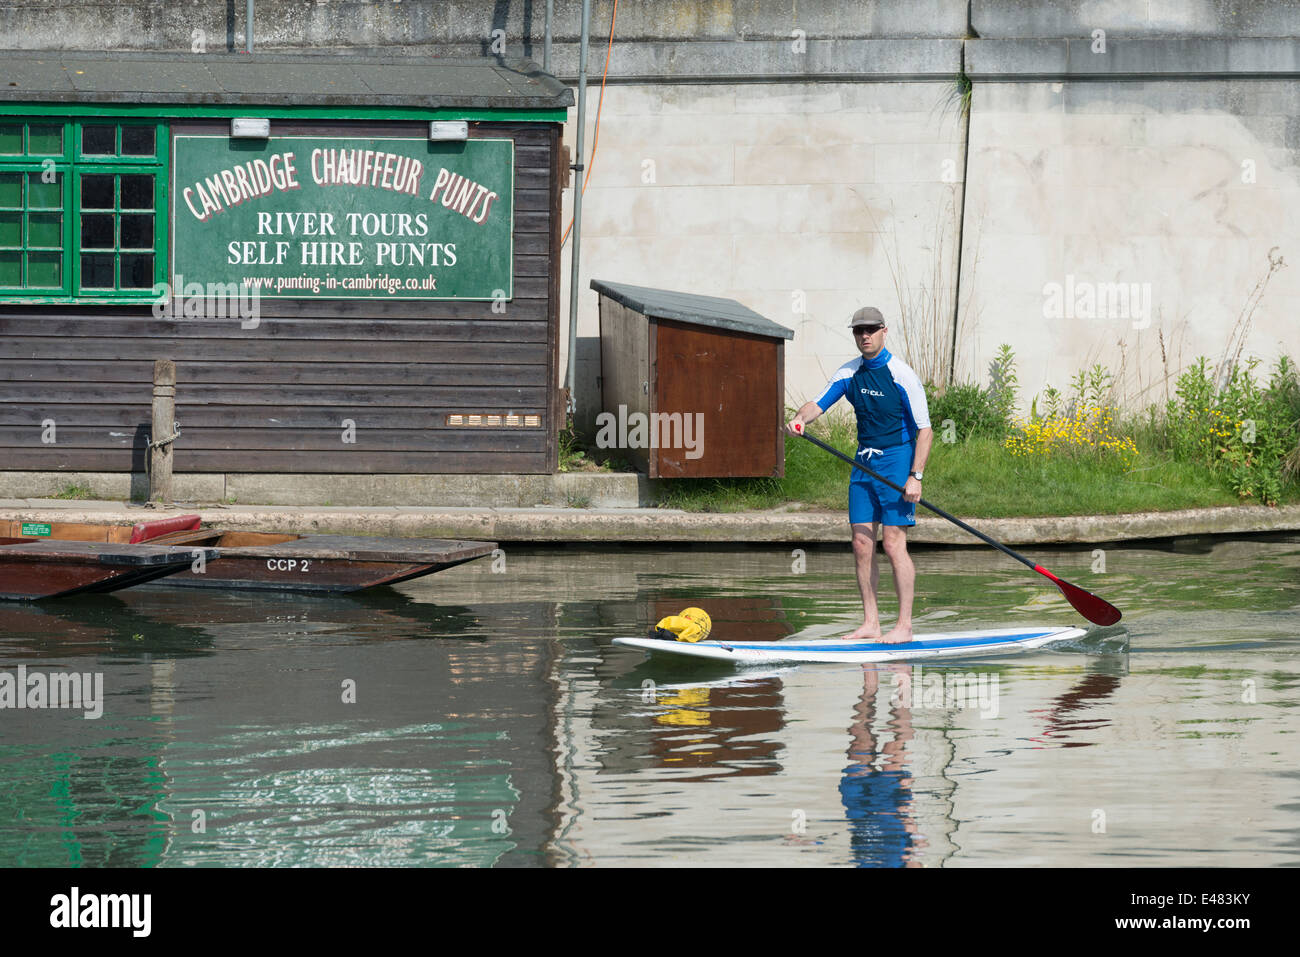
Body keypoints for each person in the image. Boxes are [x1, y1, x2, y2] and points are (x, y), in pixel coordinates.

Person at [786, 307, 932, 643]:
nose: (864, 336)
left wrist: (916, 477)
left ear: (884, 331)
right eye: (858, 331)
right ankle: (871, 623)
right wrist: (799, 419)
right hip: (863, 464)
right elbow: (818, 403)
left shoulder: (902, 375)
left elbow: (925, 431)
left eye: (870, 330)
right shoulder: (849, 372)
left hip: (897, 462)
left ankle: (905, 626)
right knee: (861, 544)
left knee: (894, 543)